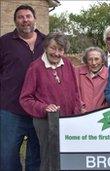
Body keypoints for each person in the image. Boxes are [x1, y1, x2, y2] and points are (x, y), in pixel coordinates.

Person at [19, 32, 81, 170]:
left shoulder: (68, 64)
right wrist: (43, 108)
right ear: (46, 47)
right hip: (45, 122)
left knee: (67, 157)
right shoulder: (35, 67)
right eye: (53, 48)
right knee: (49, 158)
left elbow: (75, 92)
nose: (57, 53)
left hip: (69, 119)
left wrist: (76, 112)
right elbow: (25, 98)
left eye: (60, 49)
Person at [0, 5, 45, 170]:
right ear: (15, 21)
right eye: (20, 17)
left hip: (40, 110)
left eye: (28, 16)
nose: (25, 20)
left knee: (37, 156)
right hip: (10, 109)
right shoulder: (4, 42)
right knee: (7, 157)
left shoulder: (47, 42)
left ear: (35, 19)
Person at [76, 47, 108, 113]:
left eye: (97, 59)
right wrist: (80, 107)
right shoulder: (77, 72)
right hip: (80, 114)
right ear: (86, 61)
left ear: (102, 61)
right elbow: (73, 93)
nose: (93, 63)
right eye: (90, 59)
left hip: (101, 116)